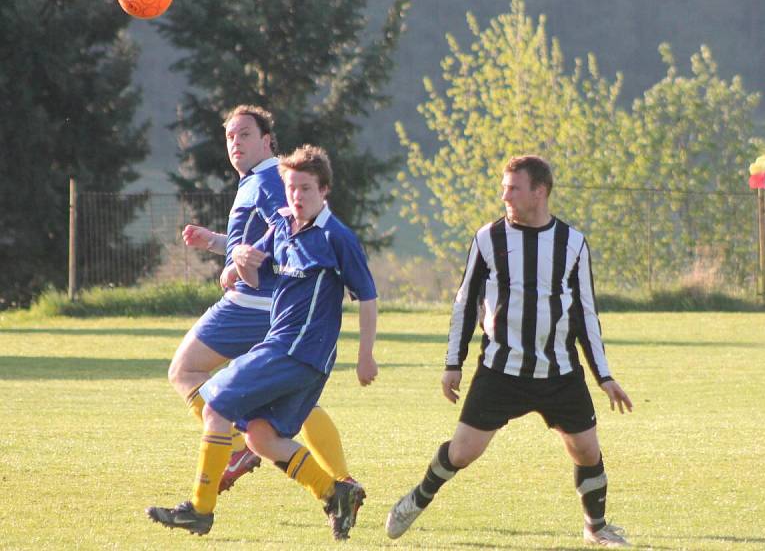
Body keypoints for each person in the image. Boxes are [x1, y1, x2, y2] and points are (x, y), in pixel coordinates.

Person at [384, 155, 633, 548]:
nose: (505, 196)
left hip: (560, 372)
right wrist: (453, 363)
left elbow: (586, 313)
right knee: (463, 452)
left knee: (586, 450)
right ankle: (417, 498)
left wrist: (604, 376)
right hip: (501, 371)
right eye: (504, 188)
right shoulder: (488, 238)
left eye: (514, 188)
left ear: (540, 191)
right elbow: (465, 304)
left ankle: (596, 528)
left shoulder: (573, 243)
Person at [147, 145, 378, 541]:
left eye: (306, 188)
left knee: (216, 406)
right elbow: (257, 271)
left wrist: (365, 357)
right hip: (291, 350)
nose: (297, 196)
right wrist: (239, 264)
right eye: (291, 188)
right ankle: (335, 492)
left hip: (295, 351)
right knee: (260, 436)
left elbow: (368, 296)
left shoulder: (336, 236)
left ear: (324, 191)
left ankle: (200, 510)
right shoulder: (284, 223)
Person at [169, 105, 356, 493]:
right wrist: (220, 244)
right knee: (289, 402)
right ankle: (340, 480)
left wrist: (237, 264)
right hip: (280, 310)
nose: (235, 143)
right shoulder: (260, 179)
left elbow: (291, 231)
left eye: (245, 135)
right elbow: (269, 243)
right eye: (230, 136)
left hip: (252, 304)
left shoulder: (268, 179)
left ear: (267, 140)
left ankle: (236, 448)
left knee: (184, 370)